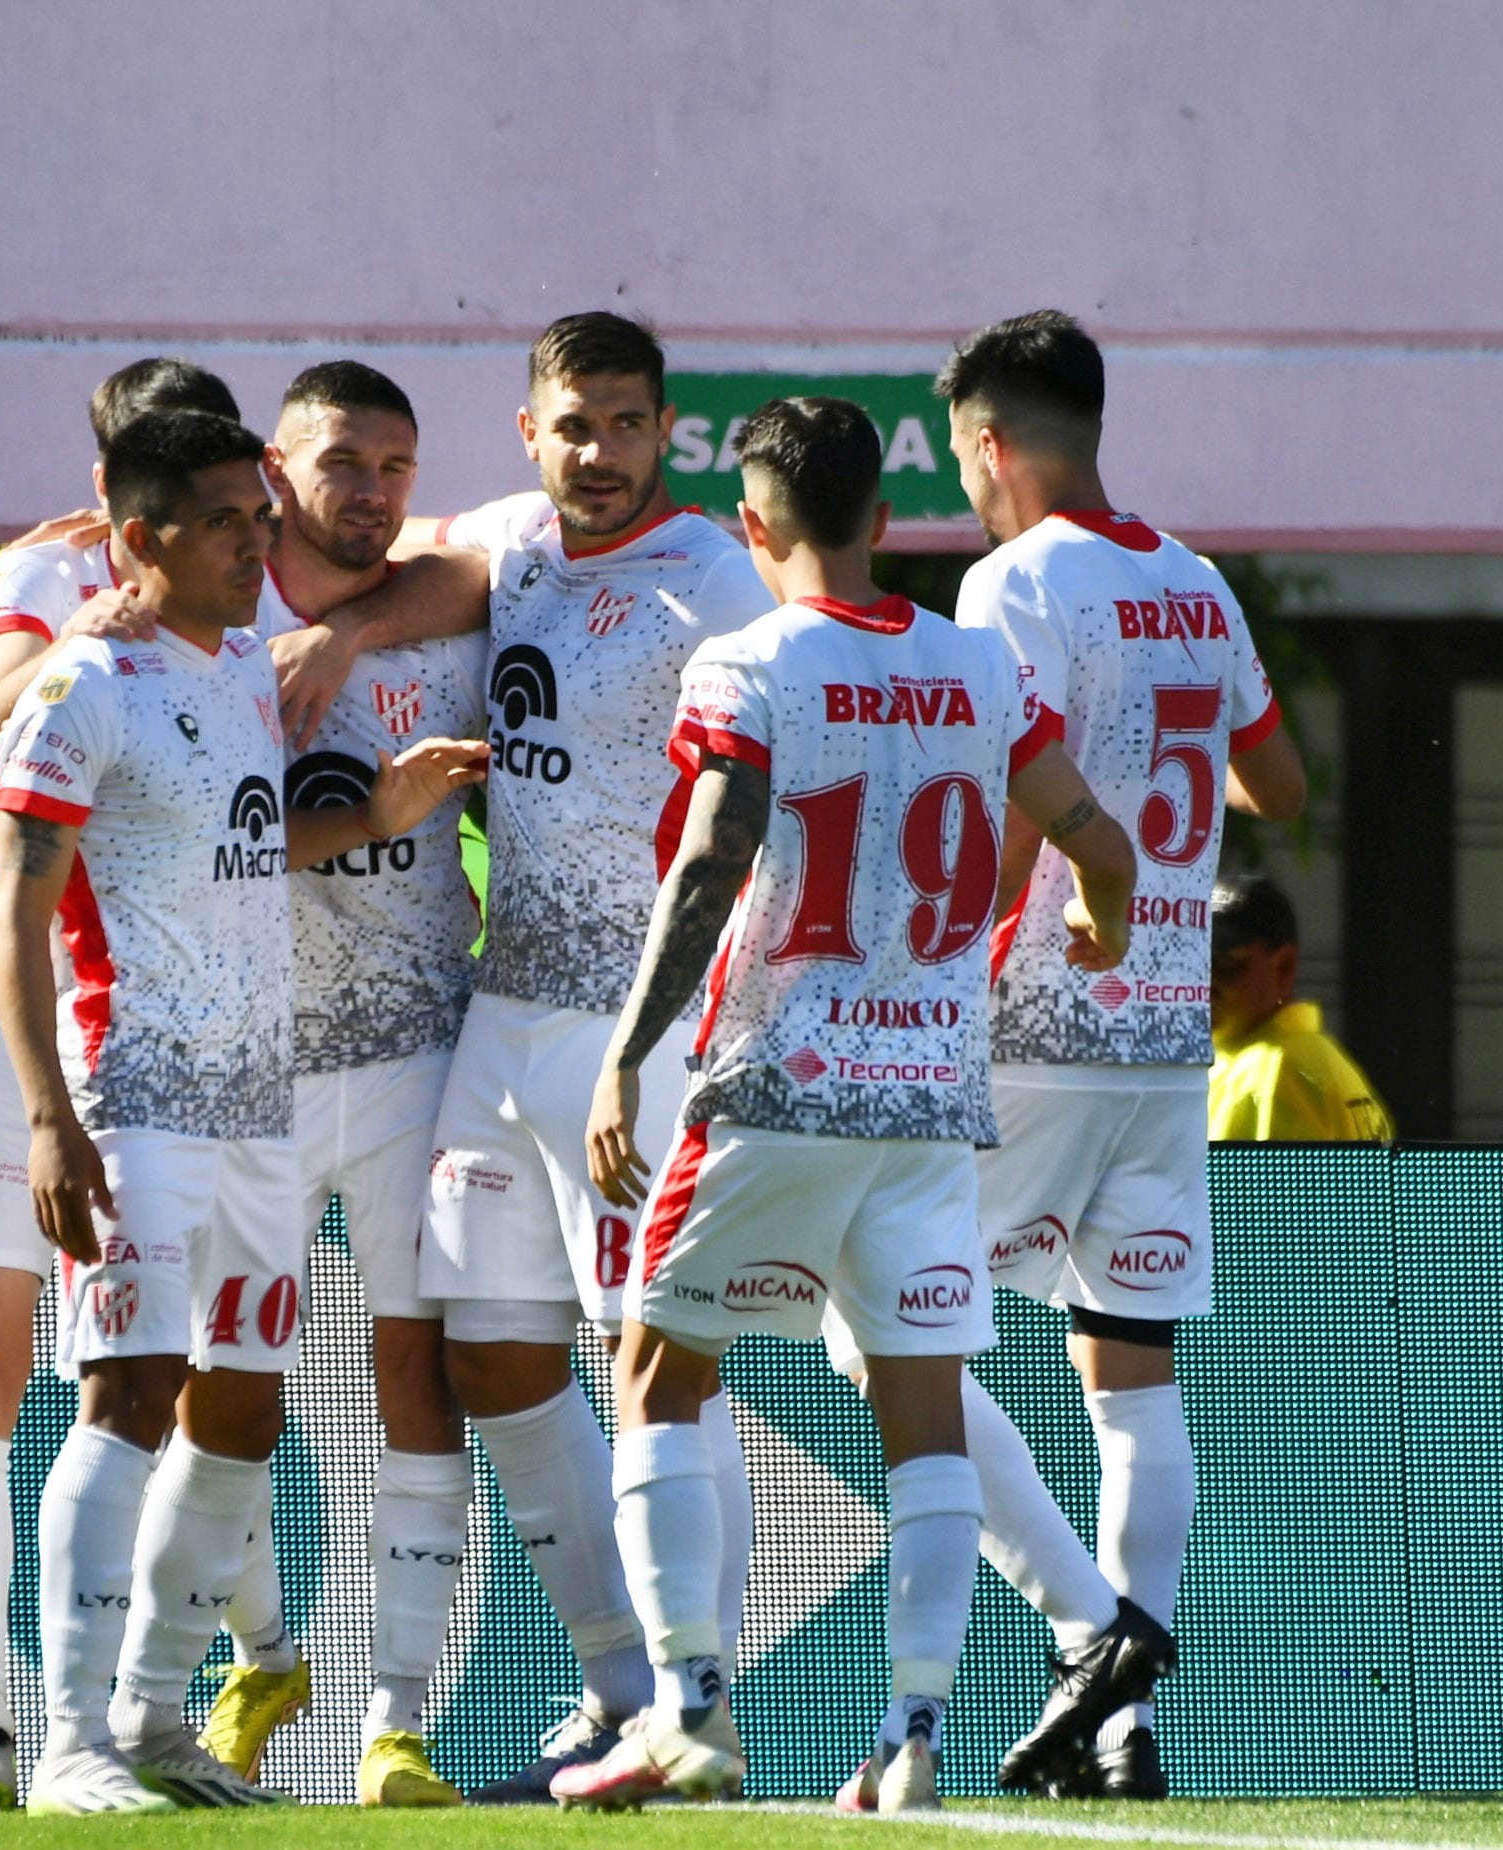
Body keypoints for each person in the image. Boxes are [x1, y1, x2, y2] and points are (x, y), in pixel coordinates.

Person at [548, 395, 1136, 1814]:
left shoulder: (745, 659)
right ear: (884, 519)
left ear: (753, 526)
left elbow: (708, 862)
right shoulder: (980, 665)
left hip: (774, 1083)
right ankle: (912, 1730)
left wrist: (627, 1054)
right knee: (922, 1406)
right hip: (932, 1097)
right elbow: (1092, 836)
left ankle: (687, 1707)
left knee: (654, 1371)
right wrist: (1101, 920)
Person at [274, 312, 780, 1800]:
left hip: (644, 1028)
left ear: (663, 431)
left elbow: (773, 784)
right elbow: (420, 562)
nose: (599, 454)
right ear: (529, 433)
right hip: (501, 1022)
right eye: (572, 425)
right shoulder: (511, 540)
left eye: (625, 425)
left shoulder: (709, 575)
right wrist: (352, 627)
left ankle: (699, 1698)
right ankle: (614, 1691)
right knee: (493, 1355)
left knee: (655, 1366)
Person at [0, 408, 484, 1813]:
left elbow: (245, 843)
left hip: (255, 1104)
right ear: (138, 537)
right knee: (127, 1394)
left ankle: (151, 1722)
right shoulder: (81, 688)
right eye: (223, 520)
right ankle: (66, 1740)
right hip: (136, 1096)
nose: (254, 540)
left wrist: (377, 809)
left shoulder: (239, 679)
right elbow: (18, 913)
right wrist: (43, 1113)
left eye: (255, 515)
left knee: (242, 1409)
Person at [932, 310, 1306, 1800]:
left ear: (985, 440)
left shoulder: (1008, 579)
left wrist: (943, 969)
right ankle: (1122, 1720)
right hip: (1161, 1035)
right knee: (1131, 1377)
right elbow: (1275, 783)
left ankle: (1084, 1636)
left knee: (880, 1330)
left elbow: (1019, 798)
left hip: (1029, 1020)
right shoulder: (1192, 579)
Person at [0, 357, 241, 1813]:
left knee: (187, 1368)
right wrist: (78, 646)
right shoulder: (42, 573)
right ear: (115, 489)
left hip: (189, 1013)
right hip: (14, 990)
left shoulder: (247, 586)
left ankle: (172, 1696)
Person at [199, 360, 487, 1806]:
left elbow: (490, 561)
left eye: (395, 464)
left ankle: (394, 1719)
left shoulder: (445, 613)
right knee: (212, 1384)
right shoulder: (202, 622)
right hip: (240, 1064)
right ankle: (256, 1652)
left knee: (409, 1376)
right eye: (342, 462)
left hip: (416, 1051)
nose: (371, 490)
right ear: (270, 465)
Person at [1207, 873, 1389, 1142]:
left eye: (1223, 962)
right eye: (1191, 962)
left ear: (1284, 967)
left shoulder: (1275, 1071)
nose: (1203, 981)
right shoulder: (1317, 1059)